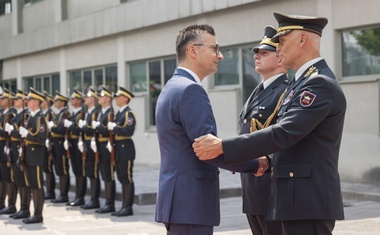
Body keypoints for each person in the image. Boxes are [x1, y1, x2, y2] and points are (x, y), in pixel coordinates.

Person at [193, 12, 346, 235]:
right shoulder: (301, 83)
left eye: (282, 41)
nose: (279, 47)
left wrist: (223, 146)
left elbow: (284, 132)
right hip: (292, 199)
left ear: (302, 40)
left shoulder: (318, 84)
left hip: (307, 200)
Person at [238, 26, 288, 235]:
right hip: (253, 187)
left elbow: (285, 136)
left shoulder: (286, 90)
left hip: (272, 187)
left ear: (280, 59)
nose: (257, 56)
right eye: (257, 53)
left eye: (265, 53)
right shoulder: (259, 90)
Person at [20, 88, 48, 224]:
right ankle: (33, 212)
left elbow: (41, 137)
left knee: (37, 186)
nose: (27, 101)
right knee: (32, 185)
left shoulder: (40, 118)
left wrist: (27, 135)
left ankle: (38, 214)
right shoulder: (31, 117)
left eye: (30, 99)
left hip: (36, 156)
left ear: (36, 101)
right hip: (29, 156)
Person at [107, 86, 136, 217]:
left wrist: (115, 127)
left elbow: (128, 130)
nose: (116, 99)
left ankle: (128, 207)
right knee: (121, 177)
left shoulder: (128, 114)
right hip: (118, 148)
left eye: (118, 97)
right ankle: (124, 205)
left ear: (125, 98)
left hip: (126, 148)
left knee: (127, 177)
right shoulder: (119, 114)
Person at [6, 89, 31, 219]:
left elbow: (23, 133)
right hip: (14, 149)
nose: (14, 101)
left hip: (21, 149)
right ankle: (21, 207)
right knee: (19, 181)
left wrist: (12, 131)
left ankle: (25, 208)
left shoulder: (25, 115)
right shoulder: (17, 115)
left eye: (17, 99)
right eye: (14, 99)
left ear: (23, 100)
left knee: (24, 180)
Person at [91, 86, 116, 213]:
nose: (99, 98)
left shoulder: (111, 113)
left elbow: (108, 130)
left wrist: (98, 126)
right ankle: (107, 202)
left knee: (109, 175)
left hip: (107, 148)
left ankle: (110, 203)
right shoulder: (101, 113)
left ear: (107, 98)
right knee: (104, 175)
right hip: (100, 147)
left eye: (101, 96)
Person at [79, 88, 101, 210]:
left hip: (93, 146)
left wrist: (85, 127)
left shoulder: (95, 113)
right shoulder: (88, 112)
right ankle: (92, 198)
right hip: (87, 145)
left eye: (87, 97)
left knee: (93, 173)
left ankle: (95, 199)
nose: (84, 99)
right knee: (89, 173)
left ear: (93, 99)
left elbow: (93, 129)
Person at [64, 89, 87, 206]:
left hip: (79, 145)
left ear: (79, 101)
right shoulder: (73, 113)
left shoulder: (82, 114)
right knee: (76, 171)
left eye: (74, 98)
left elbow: (79, 129)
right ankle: (77, 196)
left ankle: (80, 196)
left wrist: (71, 126)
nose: (71, 100)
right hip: (72, 144)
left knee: (81, 171)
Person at [48, 91, 70, 203]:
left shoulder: (64, 113)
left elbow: (62, 129)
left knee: (63, 170)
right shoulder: (58, 114)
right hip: (56, 144)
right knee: (59, 170)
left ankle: (63, 194)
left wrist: (52, 128)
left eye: (56, 100)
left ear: (62, 102)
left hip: (61, 144)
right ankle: (61, 194)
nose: (54, 102)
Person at [0, 89, 17, 215]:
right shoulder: (2, 113)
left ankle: (11, 204)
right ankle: (1, 202)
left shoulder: (11, 114)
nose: (0, 100)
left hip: (6, 146)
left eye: (3, 98)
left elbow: (8, 133)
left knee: (9, 178)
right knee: (2, 177)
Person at [41, 91, 56, 200]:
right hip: (44, 143)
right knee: (46, 167)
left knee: (49, 167)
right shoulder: (44, 113)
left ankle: (51, 191)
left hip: (49, 143)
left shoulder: (50, 113)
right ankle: (49, 190)